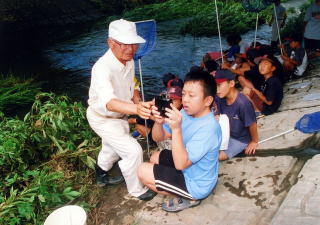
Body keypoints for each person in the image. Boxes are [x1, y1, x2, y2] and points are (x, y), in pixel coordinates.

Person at [86, 19, 156, 201]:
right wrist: (136, 109)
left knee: (112, 148)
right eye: (125, 44)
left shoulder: (129, 60)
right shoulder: (101, 68)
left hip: (120, 115)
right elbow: (109, 102)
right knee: (133, 150)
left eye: (133, 44)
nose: (131, 49)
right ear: (111, 43)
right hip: (102, 117)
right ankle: (137, 190)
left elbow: (132, 87)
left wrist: (138, 101)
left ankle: (100, 173)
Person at [137, 70, 222, 212]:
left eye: (191, 95)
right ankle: (171, 183)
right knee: (154, 157)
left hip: (197, 184)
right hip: (189, 166)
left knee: (142, 171)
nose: (185, 100)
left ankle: (191, 197)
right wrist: (159, 122)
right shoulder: (186, 112)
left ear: (208, 100)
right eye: (183, 94)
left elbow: (181, 164)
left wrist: (176, 129)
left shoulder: (209, 129)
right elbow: (158, 137)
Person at [214, 70, 258, 161]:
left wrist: (254, 141)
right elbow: (217, 112)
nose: (216, 90)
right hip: (227, 133)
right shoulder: (220, 98)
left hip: (240, 139)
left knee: (218, 157)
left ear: (231, 83)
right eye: (215, 86)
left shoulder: (242, 103)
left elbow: (252, 124)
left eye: (219, 85)